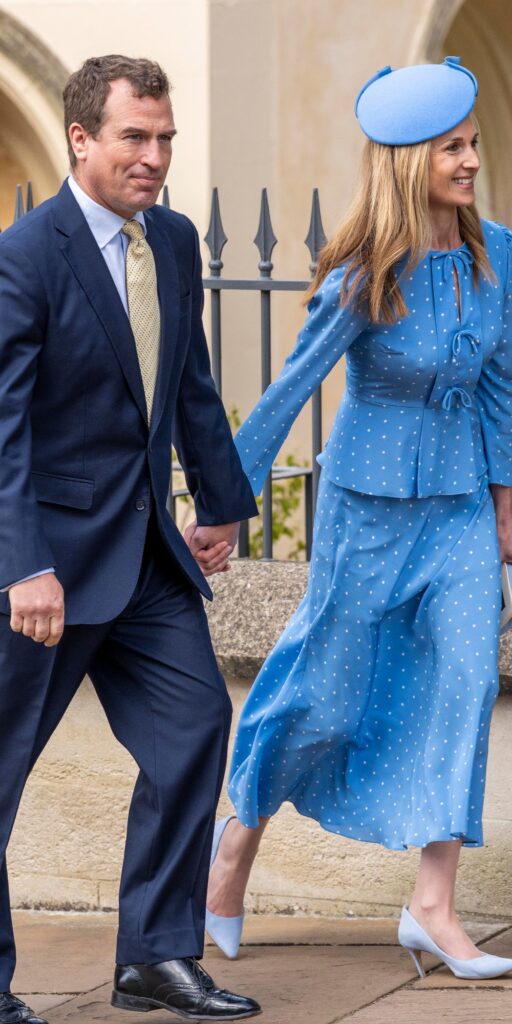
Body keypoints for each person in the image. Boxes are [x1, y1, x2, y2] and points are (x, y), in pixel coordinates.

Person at [205, 57, 512, 979]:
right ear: (411, 159)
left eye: (471, 143)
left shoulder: (497, 254)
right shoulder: (365, 271)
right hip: (368, 514)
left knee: (466, 685)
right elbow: (290, 385)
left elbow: (502, 389)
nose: (470, 159)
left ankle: (432, 906)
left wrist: (505, 508)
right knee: (325, 689)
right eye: (453, 147)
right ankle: (234, 846)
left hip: (459, 512)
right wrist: (225, 503)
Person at [0, 55, 261, 1024]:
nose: (154, 158)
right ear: (81, 138)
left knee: (193, 730)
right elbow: (3, 430)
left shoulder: (178, 241)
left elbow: (186, 381)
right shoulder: (27, 254)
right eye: (134, 139)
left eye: (164, 140)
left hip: (147, 556)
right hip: (44, 573)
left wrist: (224, 501)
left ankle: (153, 955)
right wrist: (21, 563)